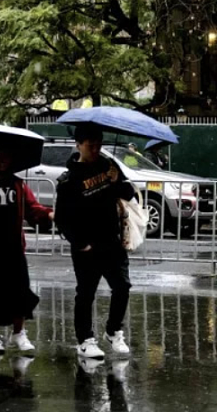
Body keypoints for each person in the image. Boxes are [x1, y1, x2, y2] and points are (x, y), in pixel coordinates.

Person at [56, 123, 137, 360]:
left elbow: (129, 193)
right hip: (86, 245)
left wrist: (116, 182)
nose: (95, 149)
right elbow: (62, 217)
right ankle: (85, 339)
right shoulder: (69, 179)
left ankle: (114, 330)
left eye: (99, 144)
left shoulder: (108, 166)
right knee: (86, 292)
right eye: (90, 145)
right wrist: (80, 242)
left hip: (111, 240)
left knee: (122, 286)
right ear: (79, 145)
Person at [0, 150, 52, 356]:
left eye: (7, 156)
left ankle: (19, 332)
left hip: (12, 245)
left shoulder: (18, 183)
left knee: (19, 289)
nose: (3, 160)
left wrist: (47, 213)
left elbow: (32, 207)